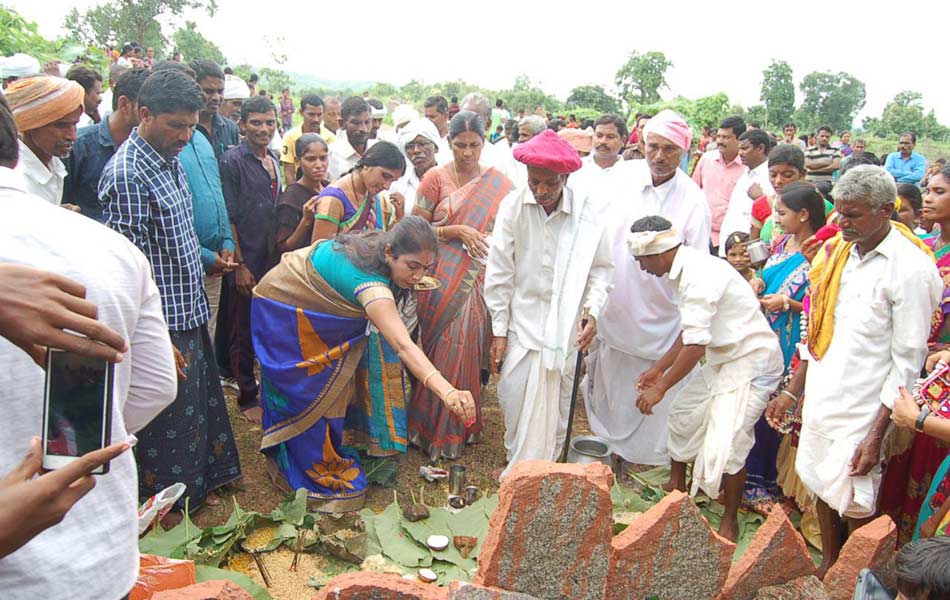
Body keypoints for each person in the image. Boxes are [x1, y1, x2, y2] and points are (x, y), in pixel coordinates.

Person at [0, 92, 177, 595]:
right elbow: (155, 387)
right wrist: (84, 438)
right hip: (97, 552)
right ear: (15, 145)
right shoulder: (108, 248)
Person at [767, 165, 941, 576]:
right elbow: (817, 329)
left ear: (885, 210)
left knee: (856, 494)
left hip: (866, 405)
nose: (841, 222)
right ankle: (831, 561)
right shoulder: (837, 253)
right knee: (821, 481)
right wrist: (795, 390)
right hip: (826, 394)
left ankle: (860, 574)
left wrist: (877, 431)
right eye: (839, 212)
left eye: (853, 214)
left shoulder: (911, 269)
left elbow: (908, 360)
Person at [251, 217, 476, 510]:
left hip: (311, 304)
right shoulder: (372, 287)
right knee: (308, 389)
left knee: (334, 382)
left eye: (426, 268)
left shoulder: (387, 246)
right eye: (412, 266)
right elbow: (403, 345)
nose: (418, 276)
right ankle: (307, 465)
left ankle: (325, 446)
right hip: (284, 306)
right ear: (388, 253)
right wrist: (448, 392)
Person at [99, 69, 242, 516]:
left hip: (190, 304)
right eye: (175, 125)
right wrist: (153, 335)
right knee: (168, 417)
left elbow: (178, 236)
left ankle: (198, 485)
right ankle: (167, 504)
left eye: (191, 126)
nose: (185, 135)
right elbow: (126, 269)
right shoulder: (126, 175)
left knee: (196, 407)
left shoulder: (170, 159)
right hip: (159, 319)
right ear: (144, 114)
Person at [629, 215, 783, 541]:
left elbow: (697, 345)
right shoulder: (684, 269)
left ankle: (730, 518)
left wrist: (661, 387)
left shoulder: (697, 276)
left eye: (641, 259)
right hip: (723, 359)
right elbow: (691, 332)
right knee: (684, 415)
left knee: (727, 445)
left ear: (658, 252)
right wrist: (659, 368)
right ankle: (676, 486)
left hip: (751, 363)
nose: (641, 267)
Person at [585, 109, 711, 469]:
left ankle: (646, 464)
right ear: (641, 144)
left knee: (652, 394)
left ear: (683, 151)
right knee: (611, 385)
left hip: (662, 313)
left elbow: (696, 268)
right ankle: (609, 454)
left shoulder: (693, 200)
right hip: (617, 301)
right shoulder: (621, 180)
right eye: (653, 146)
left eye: (669, 149)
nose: (659, 156)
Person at [485, 130, 612, 477]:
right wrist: (498, 331)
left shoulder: (588, 213)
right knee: (512, 397)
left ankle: (542, 474)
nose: (540, 191)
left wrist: (592, 312)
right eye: (534, 182)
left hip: (566, 329)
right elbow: (499, 272)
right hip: (520, 325)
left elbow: (602, 270)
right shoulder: (513, 206)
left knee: (557, 407)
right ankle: (518, 467)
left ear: (565, 179)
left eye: (549, 184)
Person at [409, 111, 514, 460]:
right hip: (439, 276)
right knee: (441, 348)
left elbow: (511, 231)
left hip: (480, 275)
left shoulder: (500, 183)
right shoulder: (434, 179)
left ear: (484, 143)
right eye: (459, 145)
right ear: (448, 143)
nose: (467, 153)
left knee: (468, 349)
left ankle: (461, 426)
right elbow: (414, 230)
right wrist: (455, 231)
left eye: (474, 145)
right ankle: (430, 428)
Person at [743, 182, 825, 511]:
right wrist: (757, 281)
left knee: (778, 408)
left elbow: (822, 300)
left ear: (804, 215)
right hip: (766, 333)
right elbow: (765, 272)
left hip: (794, 339)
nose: (776, 219)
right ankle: (749, 477)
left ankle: (766, 481)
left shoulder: (820, 250)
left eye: (782, 213)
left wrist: (788, 303)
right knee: (757, 402)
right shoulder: (780, 243)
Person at [881, 167, 950, 543]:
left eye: (939, 191)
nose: (929, 198)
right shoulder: (922, 247)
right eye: (929, 189)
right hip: (912, 371)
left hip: (941, 393)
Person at [216, 96, 283, 423]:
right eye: (256, 122)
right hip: (246, 261)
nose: (263, 129)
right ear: (242, 125)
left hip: (271, 260)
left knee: (266, 327)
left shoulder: (273, 159)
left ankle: (266, 388)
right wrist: (240, 265)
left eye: (269, 122)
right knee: (242, 330)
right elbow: (227, 216)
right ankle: (246, 395)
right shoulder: (232, 161)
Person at [64, 67, 149, 221]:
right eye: (146, 108)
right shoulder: (79, 145)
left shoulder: (148, 150)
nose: (152, 115)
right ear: (124, 105)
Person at [5, 76, 84, 207]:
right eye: (61, 126)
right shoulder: (15, 178)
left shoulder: (54, 165)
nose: (72, 136)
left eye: (74, 125)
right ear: (30, 126)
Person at [311, 141, 405, 242]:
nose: (387, 186)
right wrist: (363, 244)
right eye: (385, 176)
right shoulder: (332, 199)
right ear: (367, 165)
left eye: (392, 181)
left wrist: (398, 219)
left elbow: (384, 242)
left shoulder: (380, 200)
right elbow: (320, 252)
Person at [692, 115, 747, 251]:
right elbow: (693, 191)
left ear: (739, 139)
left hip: (733, 240)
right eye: (718, 136)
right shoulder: (707, 160)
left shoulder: (747, 168)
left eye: (726, 137)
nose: (720, 141)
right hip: (702, 234)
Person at [717, 129, 775, 255]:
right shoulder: (745, 174)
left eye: (745, 149)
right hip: (730, 245)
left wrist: (760, 198)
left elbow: (775, 216)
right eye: (740, 149)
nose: (740, 153)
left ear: (760, 148)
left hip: (749, 250)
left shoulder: (770, 177)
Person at [276, 133, 329, 254]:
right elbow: (284, 248)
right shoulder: (291, 198)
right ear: (298, 161)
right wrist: (306, 220)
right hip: (302, 264)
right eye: (311, 159)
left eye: (323, 158)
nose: (319, 165)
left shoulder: (329, 188)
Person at [571, 114, 632, 216]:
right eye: (599, 136)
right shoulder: (576, 169)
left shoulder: (631, 175)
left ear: (623, 140)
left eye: (610, 137)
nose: (603, 141)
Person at [750, 144, 809, 242]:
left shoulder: (819, 206)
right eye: (773, 175)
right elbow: (753, 246)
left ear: (802, 175)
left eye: (787, 175)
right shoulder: (761, 205)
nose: (778, 181)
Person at [390, 118, 440, 216]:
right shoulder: (398, 183)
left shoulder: (449, 178)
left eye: (422, 144)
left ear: (435, 147)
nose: (416, 150)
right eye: (410, 146)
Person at [281, 94, 335, 183]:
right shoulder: (290, 137)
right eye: (311, 114)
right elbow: (289, 173)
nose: (316, 119)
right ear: (301, 113)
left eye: (319, 115)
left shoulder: (330, 138)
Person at [191, 59, 239, 159]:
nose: (216, 98)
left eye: (220, 91)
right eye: (209, 91)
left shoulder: (230, 128)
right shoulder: (182, 129)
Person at [328, 97, 376, 181]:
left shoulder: (378, 151)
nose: (363, 129)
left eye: (367, 122)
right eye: (356, 123)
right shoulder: (330, 156)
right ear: (342, 124)